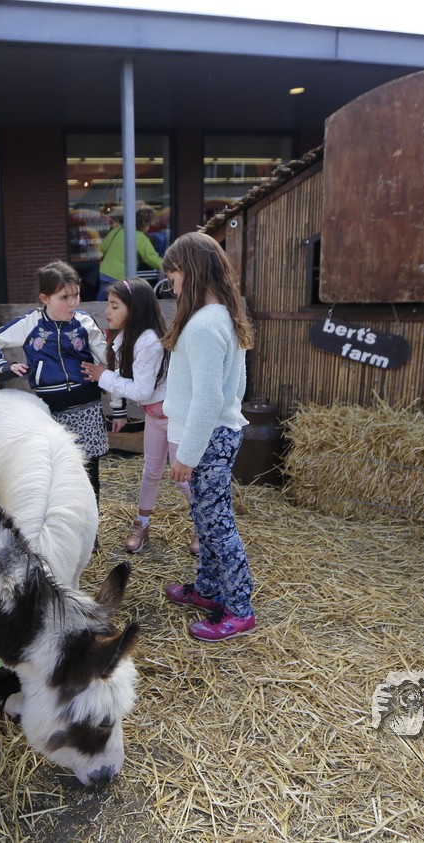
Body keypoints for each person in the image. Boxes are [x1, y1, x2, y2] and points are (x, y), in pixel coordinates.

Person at [158, 231, 257, 642]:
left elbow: (209, 397)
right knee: (204, 518)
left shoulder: (202, 325)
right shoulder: (224, 317)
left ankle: (239, 610)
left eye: (175, 277)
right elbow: (236, 387)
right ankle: (209, 589)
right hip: (218, 435)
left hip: (206, 440)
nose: (174, 286)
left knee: (217, 526)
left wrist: (188, 454)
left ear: (193, 271)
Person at [79, 277, 193, 554]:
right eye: (109, 304)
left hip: (174, 417)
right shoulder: (125, 338)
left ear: (135, 308)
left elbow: (141, 390)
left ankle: (206, 525)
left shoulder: (149, 341)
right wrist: (112, 392)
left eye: (114, 306)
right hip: (154, 415)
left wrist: (103, 376)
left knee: (181, 477)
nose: (107, 311)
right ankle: (142, 524)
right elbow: (125, 376)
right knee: (151, 471)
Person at [0, 260, 109, 497]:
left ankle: (92, 522)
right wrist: (2, 365)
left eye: (76, 295)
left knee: (90, 479)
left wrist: (118, 407)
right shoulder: (31, 324)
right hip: (50, 414)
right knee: (58, 476)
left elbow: (110, 362)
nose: (73, 303)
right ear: (45, 298)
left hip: (88, 410)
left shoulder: (85, 323)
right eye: (64, 297)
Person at [98, 205, 163, 300]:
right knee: (120, 302)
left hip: (105, 271)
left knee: (101, 300)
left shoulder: (118, 230)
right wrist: (166, 265)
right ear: (145, 224)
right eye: (149, 225)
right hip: (120, 276)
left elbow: (103, 247)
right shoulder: (141, 238)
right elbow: (151, 258)